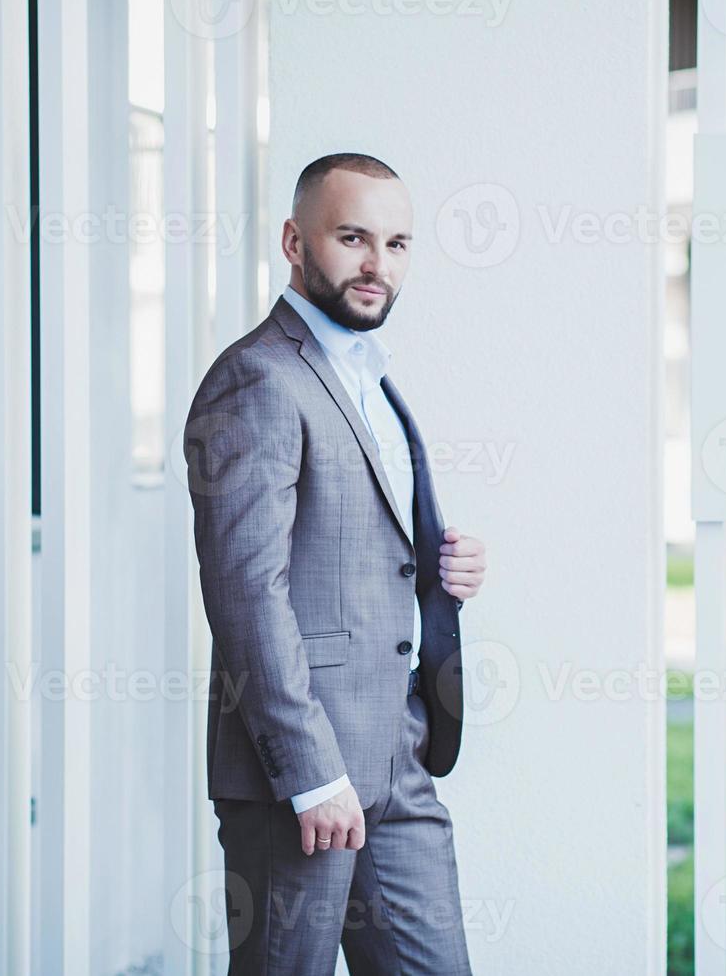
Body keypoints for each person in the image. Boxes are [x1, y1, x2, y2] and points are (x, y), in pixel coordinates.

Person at [184, 152, 487, 974]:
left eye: (396, 244)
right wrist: (310, 775)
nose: (375, 265)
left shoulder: (369, 378)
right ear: (293, 240)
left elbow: (359, 548)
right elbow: (246, 589)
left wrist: (443, 569)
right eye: (352, 237)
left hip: (401, 752)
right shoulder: (257, 379)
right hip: (304, 778)